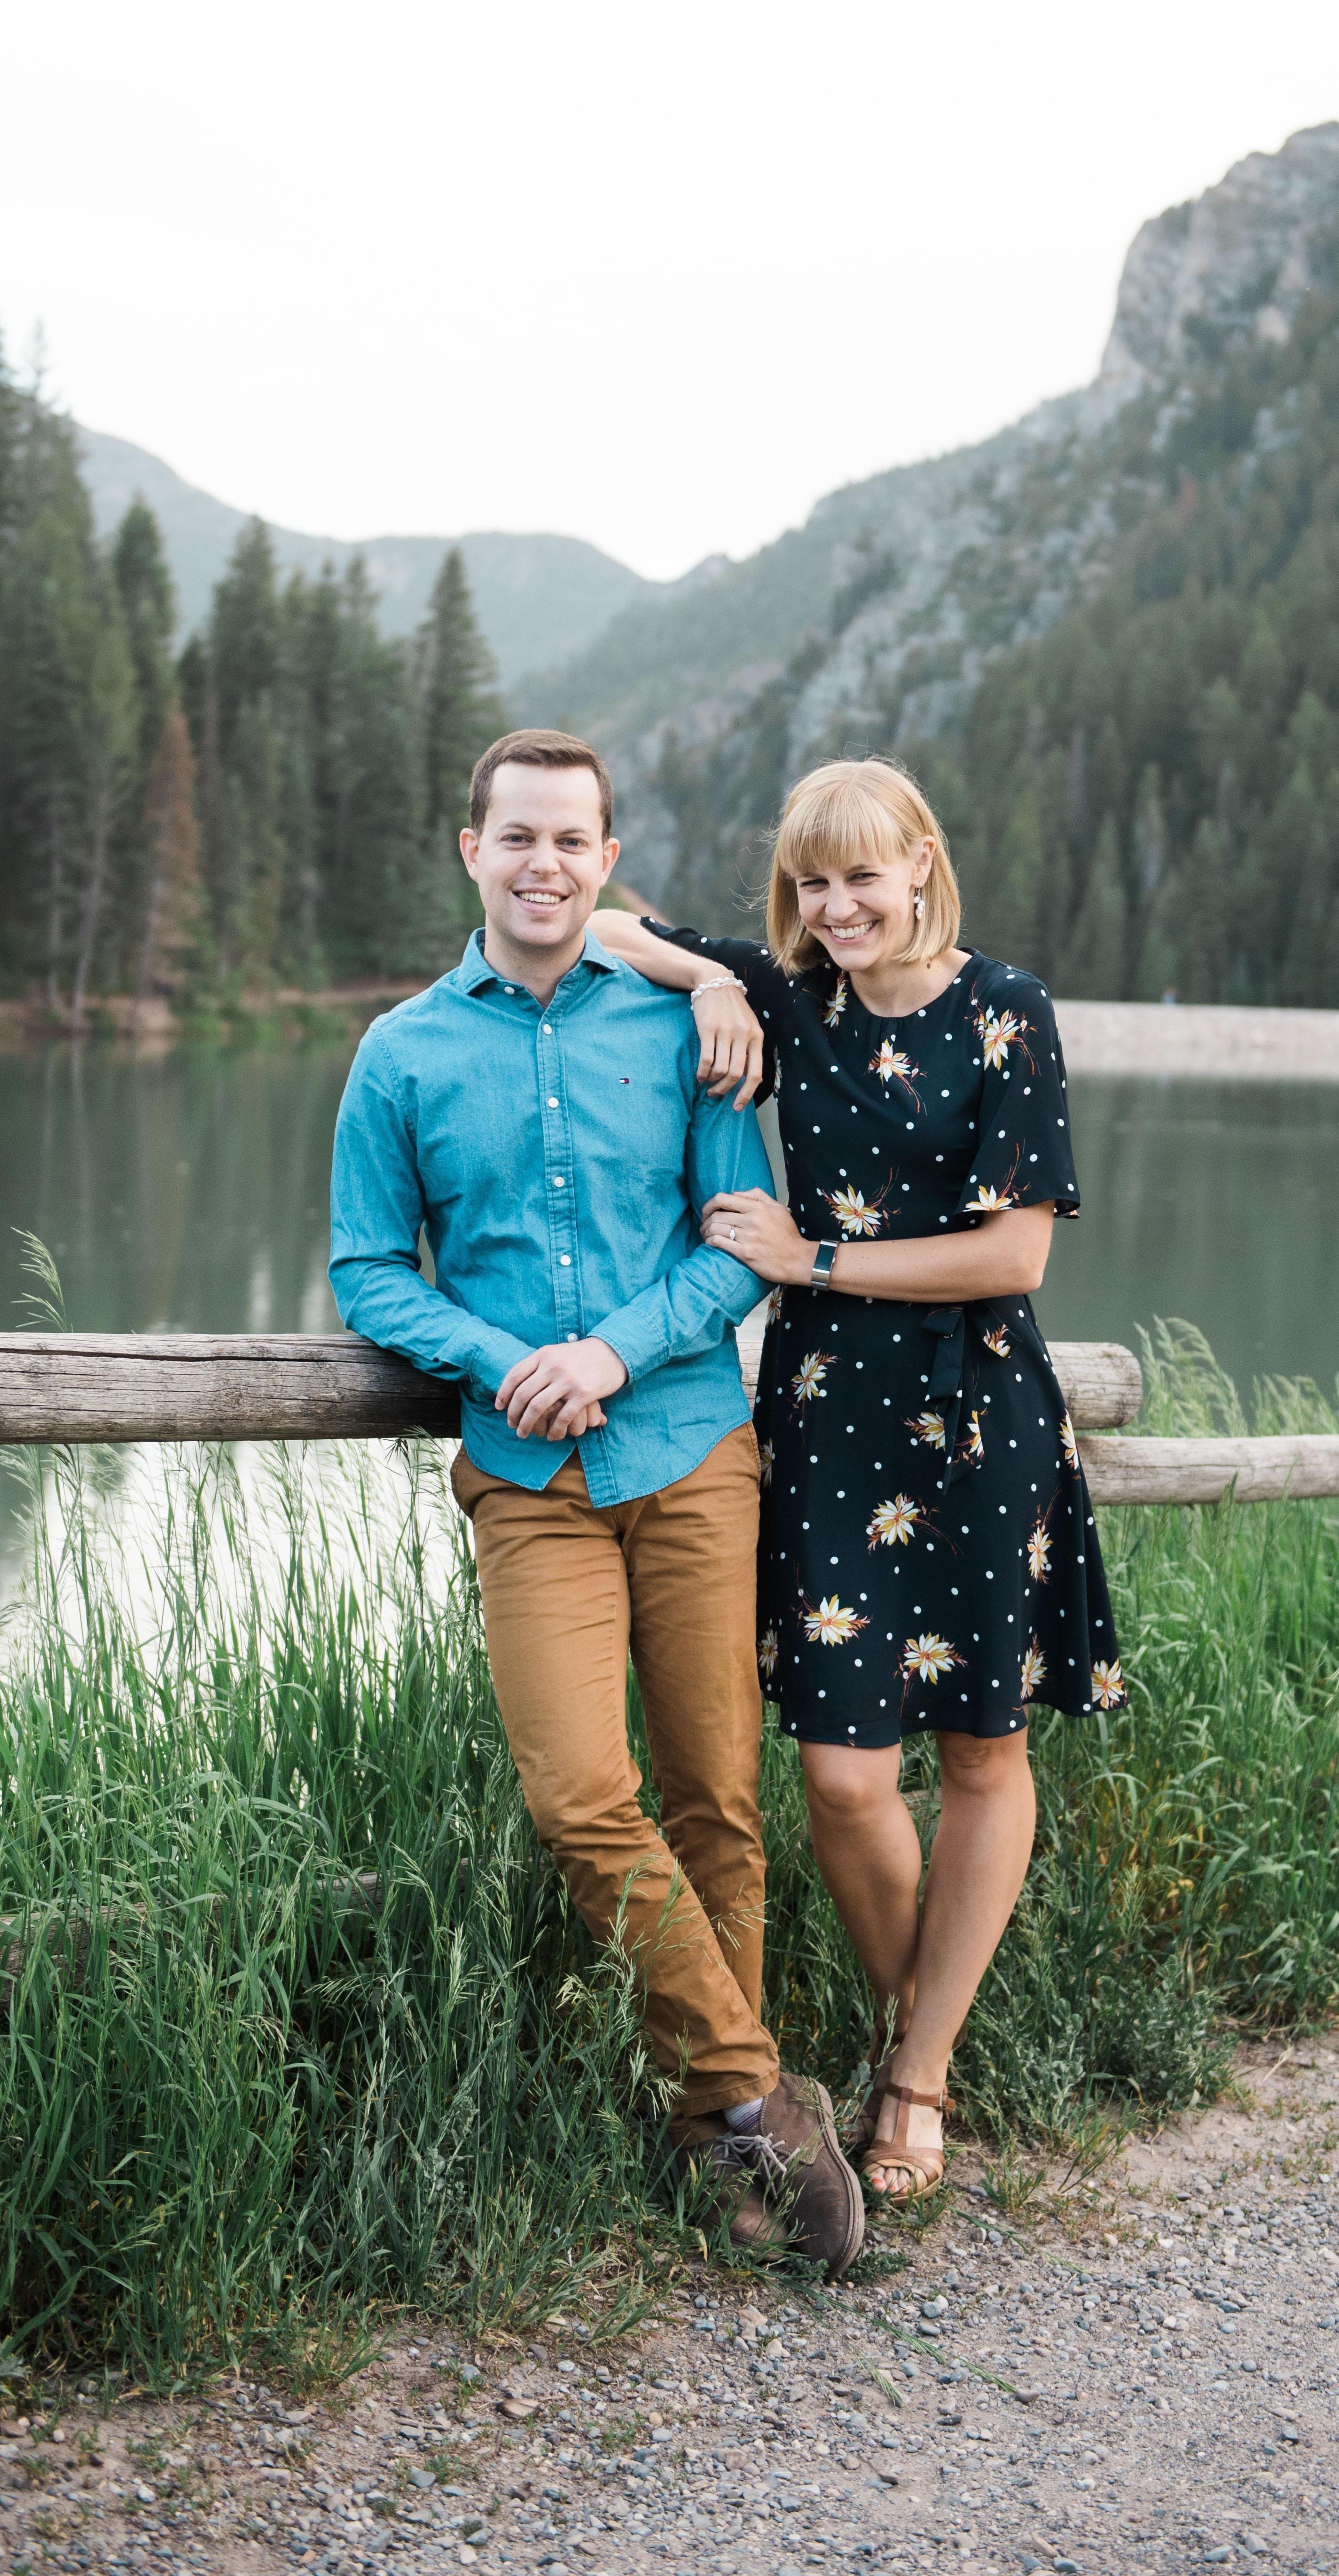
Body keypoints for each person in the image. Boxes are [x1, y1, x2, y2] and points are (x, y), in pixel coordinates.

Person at [327, 726, 864, 2273]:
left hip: (694, 1451)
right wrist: (508, 1364)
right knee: (580, 1796)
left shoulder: (693, 1028)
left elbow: (734, 1241)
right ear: (471, 851)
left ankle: (723, 2156)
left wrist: (609, 1354)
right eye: (518, 839)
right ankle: (759, 2089)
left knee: (717, 1803)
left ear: (609, 862)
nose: (545, 865)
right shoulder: (404, 1054)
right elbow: (368, 1267)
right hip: (528, 1481)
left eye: (574, 841)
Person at [588, 754, 1124, 2202]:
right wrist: (704, 984)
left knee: (981, 1751)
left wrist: (809, 1259)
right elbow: (600, 917)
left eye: (862, 878)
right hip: (827, 1422)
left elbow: (1016, 1254)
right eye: (812, 883)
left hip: (976, 1414)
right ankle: (918, 2026)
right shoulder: (787, 995)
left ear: (922, 866)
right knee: (840, 1774)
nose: (837, 908)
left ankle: (920, 2074)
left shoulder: (1008, 1007)